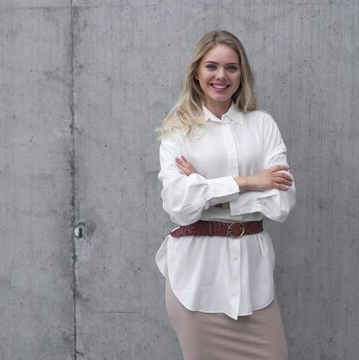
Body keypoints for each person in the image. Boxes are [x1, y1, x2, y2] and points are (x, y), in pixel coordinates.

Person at [155, 30, 296, 360]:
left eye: (231, 68)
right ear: (197, 72)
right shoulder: (177, 130)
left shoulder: (262, 125)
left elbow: (282, 203)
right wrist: (249, 181)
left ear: (241, 73)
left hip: (254, 286)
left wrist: (206, 188)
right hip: (196, 284)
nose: (221, 76)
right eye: (212, 66)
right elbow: (179, 205)